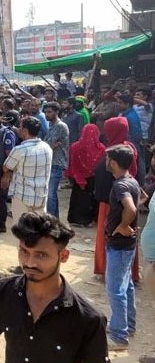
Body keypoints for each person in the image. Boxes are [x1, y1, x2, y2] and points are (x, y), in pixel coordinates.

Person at [0, 212, 108, 363]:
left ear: (63, 256)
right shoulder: (3, 292)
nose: (30, 263)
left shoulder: (88, 318)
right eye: (24, 251)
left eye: (41, 255)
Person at [103, 144, 140, 351]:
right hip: (128, 244)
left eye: (108, 159)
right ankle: (128, 325)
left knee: (116, 289)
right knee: (126, 286)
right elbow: (141, 197)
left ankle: (119, 336)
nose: (106, 162)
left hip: (119, 245)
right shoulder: (131, 181)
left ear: (114, 163)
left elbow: (132, 208)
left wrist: (125, 225)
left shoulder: (120, 186)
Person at [94, 117, 140, 281]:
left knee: (110, 235)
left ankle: (109, 271)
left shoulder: (113, 152)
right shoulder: (130, 148)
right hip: (128, 196)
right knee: (127, 238)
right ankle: (129, 273)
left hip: (113, 201)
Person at [1, 116, 53, 222]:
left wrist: (7, 175)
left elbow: (6, 167)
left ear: (25, 130)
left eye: (20, 127)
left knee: (22, 231)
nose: (18, 129)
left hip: (22, 197)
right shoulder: (47, 148)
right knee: (38, 230)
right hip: (41, 196)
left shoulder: (19, 150)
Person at [65, 124, 105, 227]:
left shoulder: (74, 147)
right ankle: (89, 220)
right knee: (90, 199)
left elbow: (72, 164)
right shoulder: (101, 149)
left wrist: (77, 177)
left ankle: (75, 219)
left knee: (78, 197)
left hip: (78, 177)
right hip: (93, 179)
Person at [42, 102, 69, 218]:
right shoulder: (52, 125)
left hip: (56, 163)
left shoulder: (60, 126)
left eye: (49, 112)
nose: (47, 114)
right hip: (51, 162)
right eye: (46, 112)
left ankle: (51, 220)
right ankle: (54, 218)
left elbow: (49, 144)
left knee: (50, 194)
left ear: (56, 112)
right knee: (51, 194)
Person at [0, 110, 19, 233]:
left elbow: (9, 154)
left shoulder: (6, 133)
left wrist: (6, 174)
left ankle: (1, 224)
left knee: (1, 198)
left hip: (2, 169)